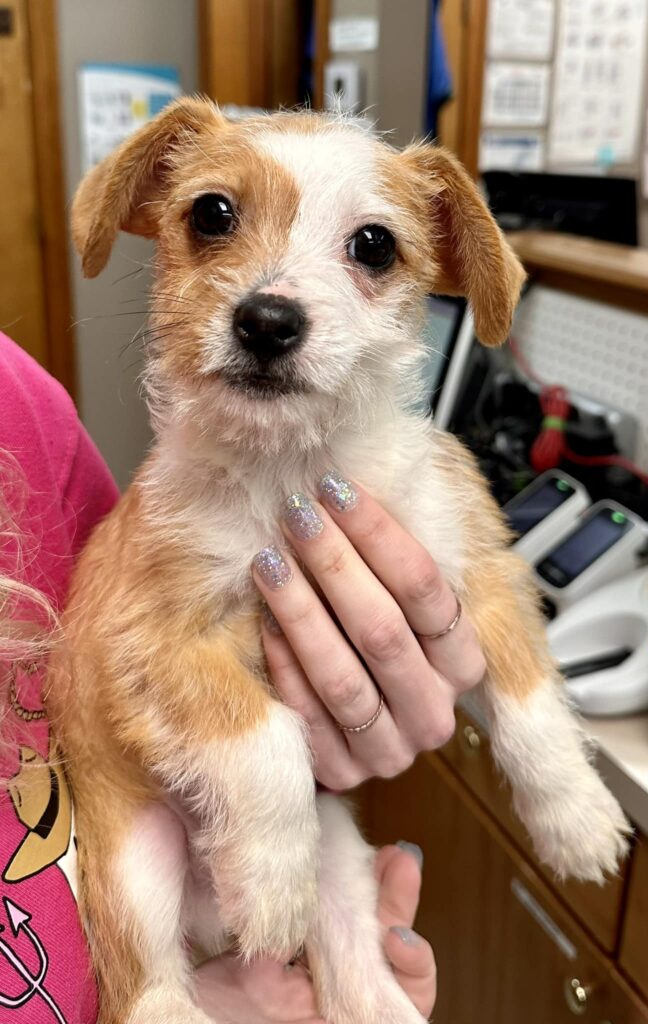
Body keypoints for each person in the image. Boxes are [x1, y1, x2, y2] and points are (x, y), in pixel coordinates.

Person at [0, 330, 485, 1022]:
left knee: (342, 891)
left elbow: (118, 662)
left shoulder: (22, 405)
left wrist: (337, 708)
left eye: (370, 252)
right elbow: (151, 663)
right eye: (214, 217)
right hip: (152, 851)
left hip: (231, 914)